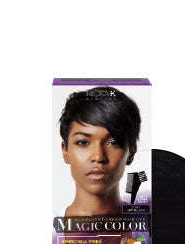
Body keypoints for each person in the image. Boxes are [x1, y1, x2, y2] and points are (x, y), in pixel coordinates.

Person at [58, 86, 141, 217]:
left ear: (131, 152)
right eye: (83, 142)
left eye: (113, 143)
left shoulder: (151, 225)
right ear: (65, 151)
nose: (98, 156)